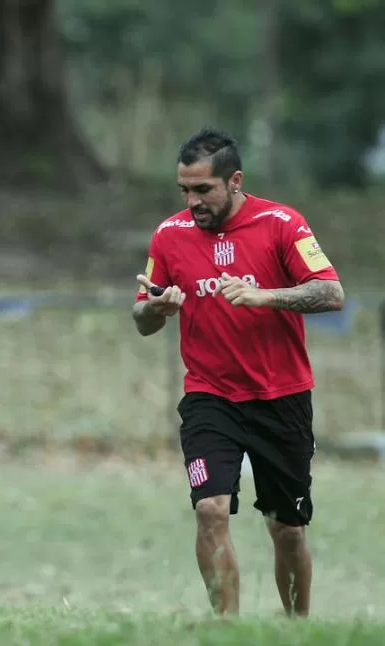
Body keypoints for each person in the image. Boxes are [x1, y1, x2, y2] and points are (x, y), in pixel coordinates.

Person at [132, 127, 345, 617]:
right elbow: (142, 318)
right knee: (209, 511)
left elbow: (331, 293)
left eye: (203, 189)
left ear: (235, 181)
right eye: (184, 189)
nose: (192, 201)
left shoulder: (282, 224)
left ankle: (297, 628)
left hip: (281, 397)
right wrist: (156, 310)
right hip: (211, 397)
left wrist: (265, 296)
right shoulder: (169, 236)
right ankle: (227, 630)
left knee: (286, 528)